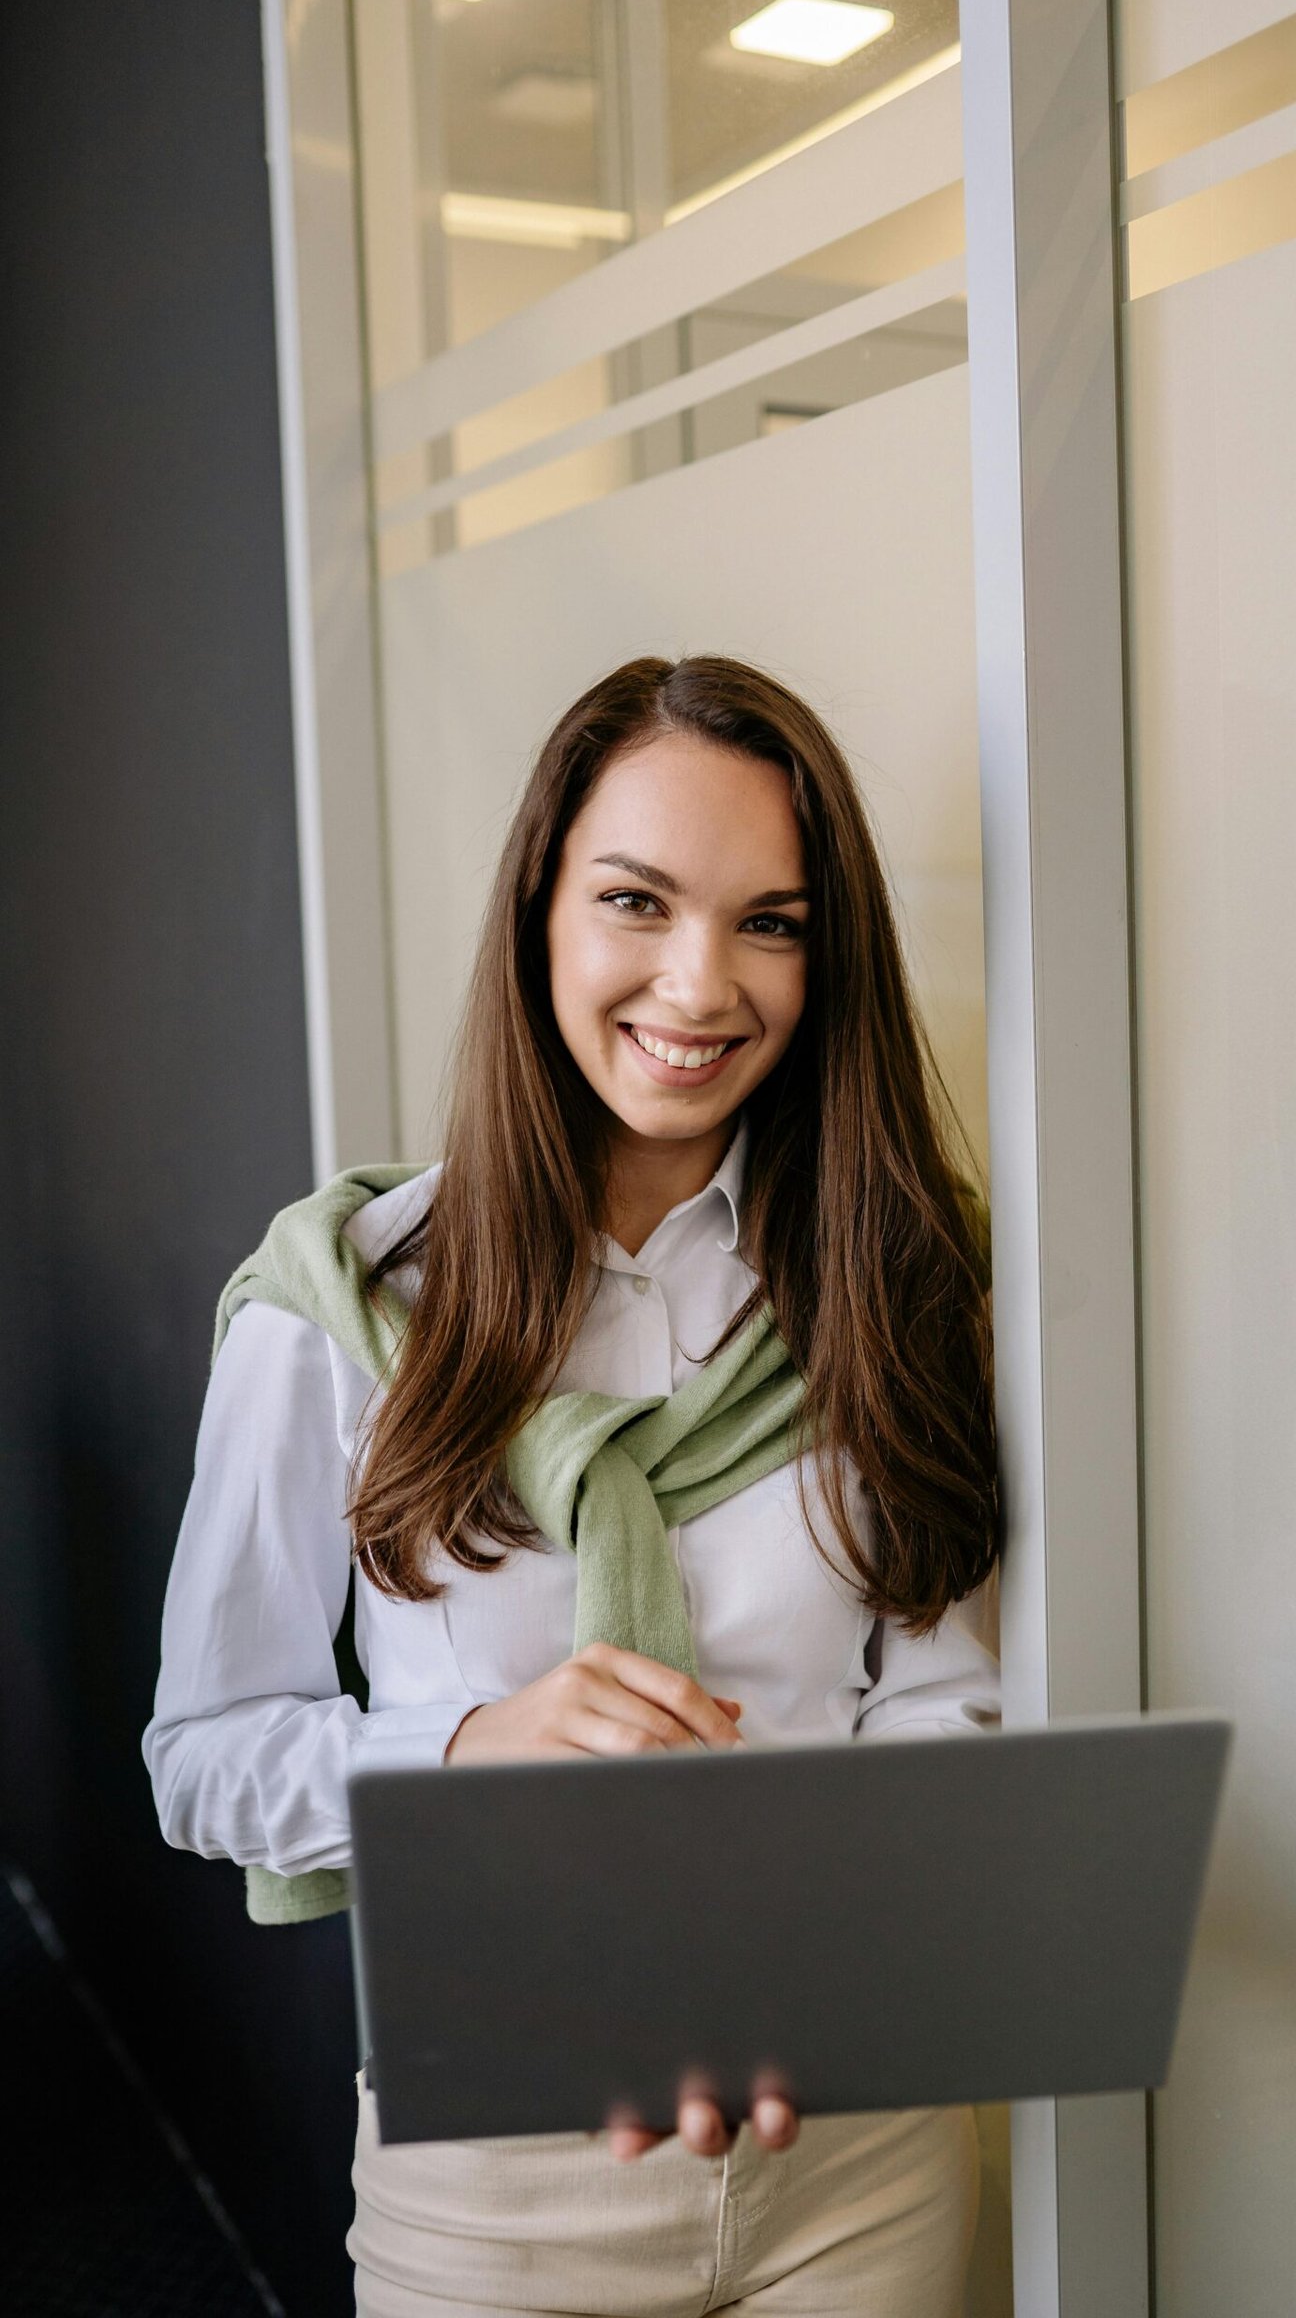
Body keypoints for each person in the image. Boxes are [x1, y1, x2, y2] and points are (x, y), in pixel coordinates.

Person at [143, 654, 1003, 2317]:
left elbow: (939, 1698)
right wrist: (470, 1751)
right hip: (500, 2180)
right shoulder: (348, 1311)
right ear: (540, 909)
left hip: (854, 2142)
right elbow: (205, 1758)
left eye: (773, 921)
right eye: (637, 901)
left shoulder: (892, 1287)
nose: (701, 983)